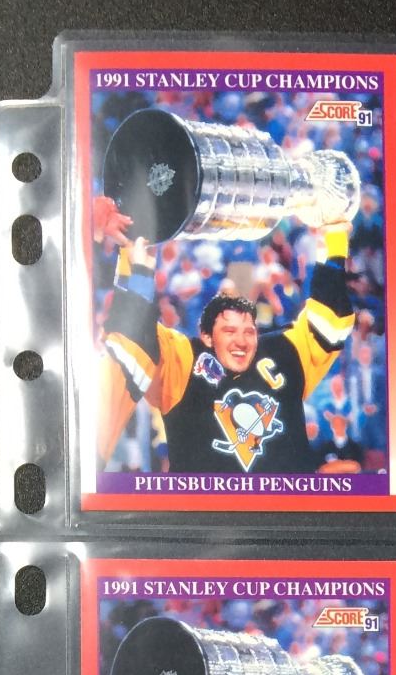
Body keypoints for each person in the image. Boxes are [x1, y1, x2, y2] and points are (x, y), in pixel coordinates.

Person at [92, 193, 357, 475]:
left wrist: (334, 241)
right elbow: (133, 338)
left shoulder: (283, 352)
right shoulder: (183, 359)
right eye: (229, 330)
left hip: (285, 502)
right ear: (206, 336)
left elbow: (330, 324)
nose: (241, 341)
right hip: (203, 504)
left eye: (249, 331)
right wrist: (130, 253)